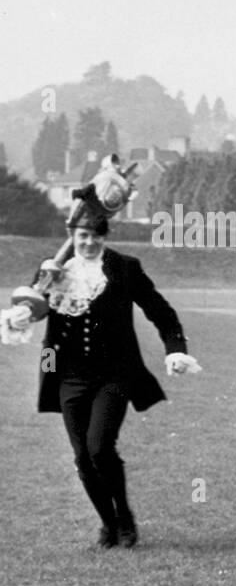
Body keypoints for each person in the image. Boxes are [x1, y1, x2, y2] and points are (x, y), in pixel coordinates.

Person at [2, 158, 200, 548]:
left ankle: (125, 518)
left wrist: (175, 350)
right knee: (82, 460)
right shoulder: (52, 271)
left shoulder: (125, 269)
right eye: (81, 237)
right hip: (68, 377)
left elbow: (160, 311)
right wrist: (20, 313)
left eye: (95, 236)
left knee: (99, 448)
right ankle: (108, 525)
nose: (88, 242)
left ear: (104, 236)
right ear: (73, 237)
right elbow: (31, 307)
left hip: (115, 375)